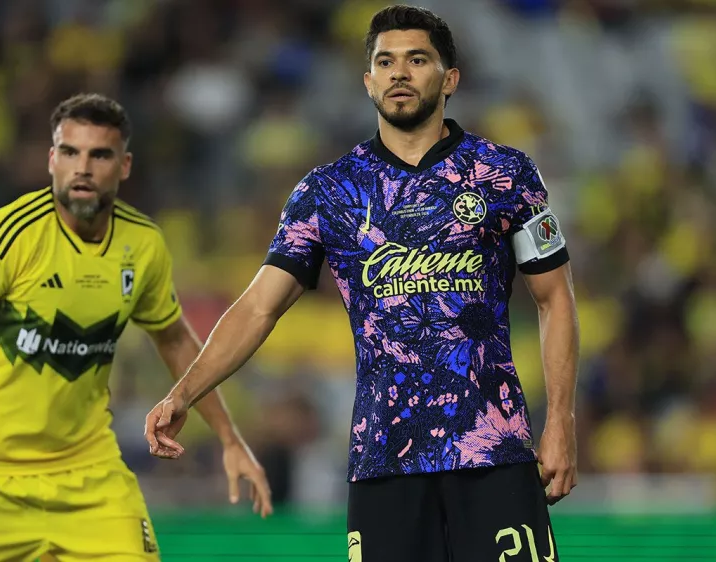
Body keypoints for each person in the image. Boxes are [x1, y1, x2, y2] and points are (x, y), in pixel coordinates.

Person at [146, 5, 580, 562]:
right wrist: (184, 392)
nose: (400, 72)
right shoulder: (328, 192)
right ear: (368, 81)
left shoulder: (506, 174)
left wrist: (561, 423)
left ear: (449, 79)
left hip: (494, 451)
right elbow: (258, 308)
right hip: (384, 457)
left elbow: (555, 300)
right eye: (386, 61)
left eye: (417, 59)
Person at [0, 93, 272, 561]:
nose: (83, 167)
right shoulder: (7, 236)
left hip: (89, 473)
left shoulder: (144, 244)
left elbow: (173, 338)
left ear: (125, 165)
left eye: (100, 154)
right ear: (52, 159)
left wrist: (230, 439)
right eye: (70, 152)